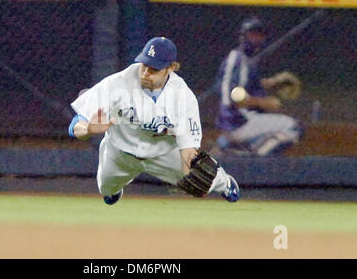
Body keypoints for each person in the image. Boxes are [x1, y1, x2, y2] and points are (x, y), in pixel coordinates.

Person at [68, 37, 240, 205]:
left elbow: (188, 147)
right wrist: (88, 130)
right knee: (106, 189)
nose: (145, 73)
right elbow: (76, 123)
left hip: (163, 153)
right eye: (144, 65)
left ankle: (226, 183)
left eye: (153, 69)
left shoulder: (183, 98)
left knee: (205, 178)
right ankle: (115, 190)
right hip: (120, 152)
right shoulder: (116, 84)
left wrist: (189, 174)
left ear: (171, 68)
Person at [214, 17, 303, 156]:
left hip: (234, 121)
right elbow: (234, 95)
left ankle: (230, 147)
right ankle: (255, 160)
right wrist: (264, 103)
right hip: (238, 122)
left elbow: (240, 85)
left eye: (259, 35)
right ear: (243, 36)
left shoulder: (242, 59)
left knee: (268, 120)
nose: (256, 38)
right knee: (294, 127)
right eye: (252, 34)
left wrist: (270, 83)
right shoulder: (239, 59)